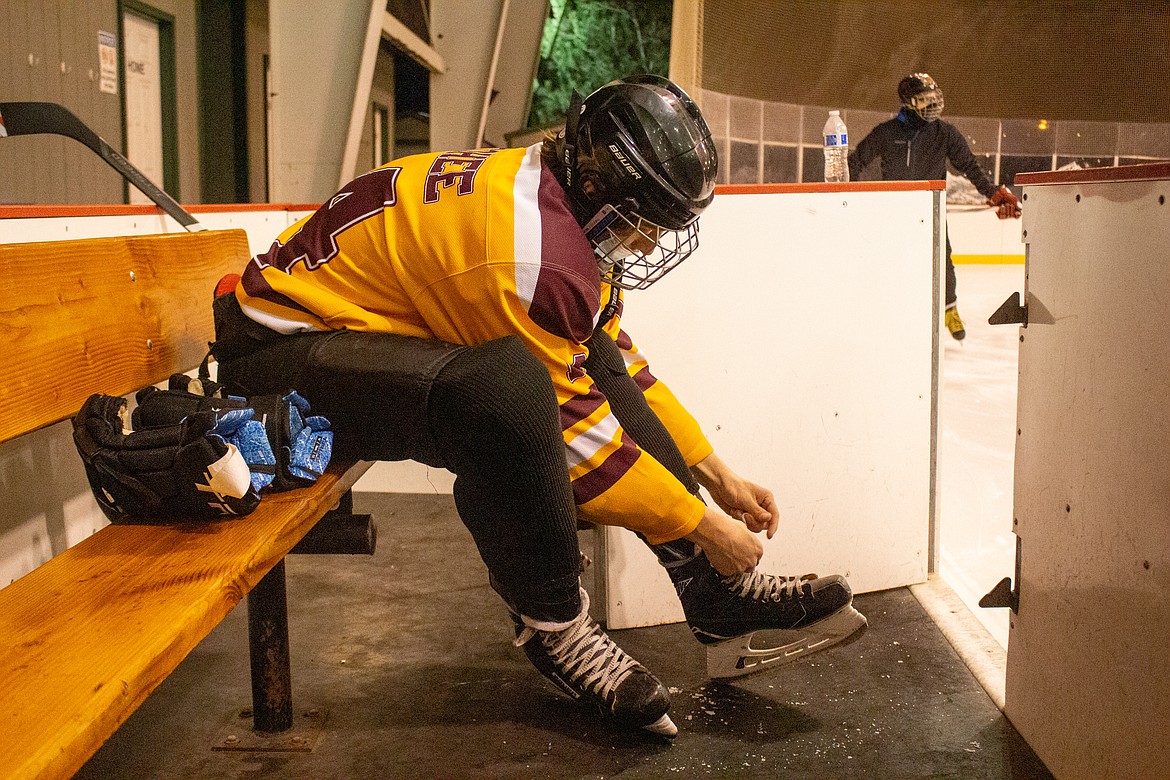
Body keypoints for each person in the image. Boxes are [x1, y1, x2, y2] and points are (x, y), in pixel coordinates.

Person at [210, 75, 866, 738]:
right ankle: (555, 626)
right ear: (595, 189)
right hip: (277, 361)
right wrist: (705, 526)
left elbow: (617, 368)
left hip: (326, 329)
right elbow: (582, 448)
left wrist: (716, 474)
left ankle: (713, 594)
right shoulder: (534, 256)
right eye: (645, 223)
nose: (648, 244)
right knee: (506, 397)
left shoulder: (549, 202)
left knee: (587, 363)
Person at [848, 72, 1022, 340]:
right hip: (893, 212)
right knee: (890, 261)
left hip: (931, 211)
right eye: (924, 100)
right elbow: (855, 162)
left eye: (935, 99)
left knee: (943, 261)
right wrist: (848, 196)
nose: (933, 106)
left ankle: (949, 310)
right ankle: (886, 311)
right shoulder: (886, 133)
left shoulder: (945, 133)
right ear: (908, 103)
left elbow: (969, 166)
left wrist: (993, 192)